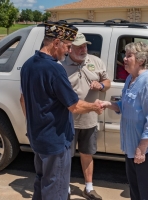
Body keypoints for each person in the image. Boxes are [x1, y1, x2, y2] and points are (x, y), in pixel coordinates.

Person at [20, 22, 104, 200]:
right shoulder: (55, 69)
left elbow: (23, 100)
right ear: (56, 42)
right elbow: (74, 106)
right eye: (67, 46)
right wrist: (94, 106)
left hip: (38, 138)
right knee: (56, 189)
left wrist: (32, 125)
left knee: (41, 183)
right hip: (55, 141)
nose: (67, 51)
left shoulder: (28, 65)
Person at [100, 41, 148, 200]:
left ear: (141, 60)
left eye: (129, 56)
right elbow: (125, 105)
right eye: (125, 55)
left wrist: (141, 149)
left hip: (146, 149)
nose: (125, 58)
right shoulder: (130, 79)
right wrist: (109, 104)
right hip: (132, 145)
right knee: (136, 190)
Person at [61, 32, 111, 200]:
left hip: (89, 119)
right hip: (67, 120)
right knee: (65, 156)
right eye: (79, 46)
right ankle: (65, 188)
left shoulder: (95, 61)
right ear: (69, 49)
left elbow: (108, 81)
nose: (84, 49)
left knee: (87, 154)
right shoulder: (60, 66)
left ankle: (89, 188)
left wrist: (102, 85)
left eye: (85, 46)